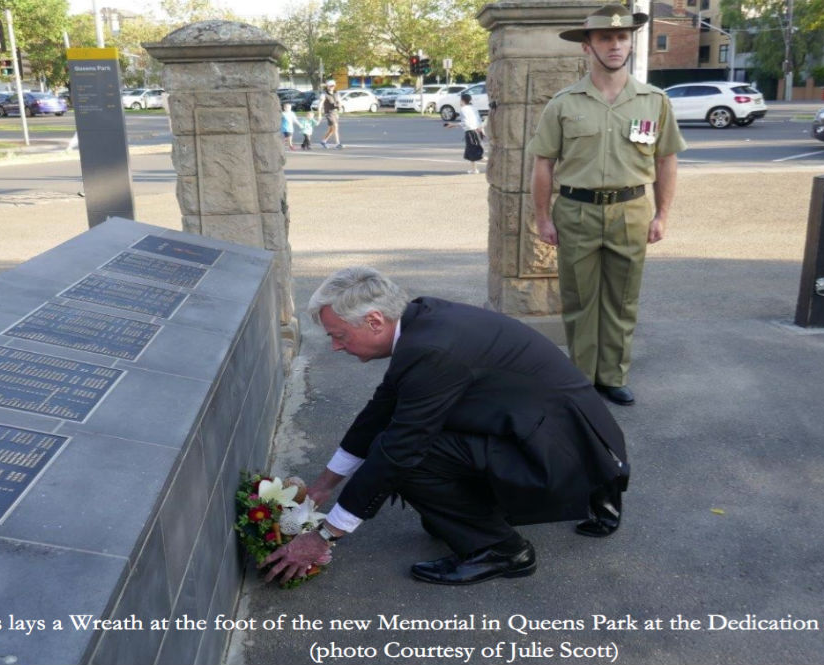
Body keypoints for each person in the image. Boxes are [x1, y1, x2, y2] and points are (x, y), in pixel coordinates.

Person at [261, 267, 631, 586]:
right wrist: (323, 487)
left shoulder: (429, 349)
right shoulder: (421, 321)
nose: (337, 347)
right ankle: (476, 511)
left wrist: (325, 536)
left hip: (562, 455)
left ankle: (502, 551)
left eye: (339, 335)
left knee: (408, 460)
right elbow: (380, 411)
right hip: (559, 435)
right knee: (400, 440)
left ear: (375, 321)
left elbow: (401, 448)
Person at [527, 3, 687, 407]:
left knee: (622, 299)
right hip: (576, 211)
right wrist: (542, 217)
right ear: (587, 46)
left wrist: (662, 214)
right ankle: (581, 379)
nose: (615, 45)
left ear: (630, 42)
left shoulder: (654, 101)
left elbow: (666, 159)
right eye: (604, 38)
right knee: (579, 299)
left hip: (630, 211)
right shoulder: (563, 103)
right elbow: (543, 163)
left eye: (621, 37)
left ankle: (613, 375)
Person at [444, 93, 484, 174]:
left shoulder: (463, 109)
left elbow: (465, 123)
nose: (459, 102)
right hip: (476, 131)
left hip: (471, 133)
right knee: (471, 152)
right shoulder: (473, 108)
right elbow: (479, 120)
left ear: (462, 101)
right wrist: (480, 129)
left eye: (460, 100)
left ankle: (495, 163)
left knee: (476, 153)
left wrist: (453, 125)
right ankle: (474, 169)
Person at [318, 80, 344, 149]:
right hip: (329, 113)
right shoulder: (324, 94)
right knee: (335, 126)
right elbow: (320, 104)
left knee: (331, 130)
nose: (332, 87)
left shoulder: (336, 93)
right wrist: (319, 114)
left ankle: (323, 141)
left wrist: (340, 106)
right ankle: (338, 144)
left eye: (333, 86)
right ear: (327, 87)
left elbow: (340, 102)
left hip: (335, 112)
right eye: (331, 86)